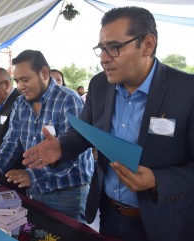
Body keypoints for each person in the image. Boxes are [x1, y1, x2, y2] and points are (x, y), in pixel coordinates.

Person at [22, 6, 194, 241]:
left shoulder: (186, 91)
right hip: (109, 214)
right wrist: (61, 146)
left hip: (165, 221)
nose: (104, 58)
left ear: (147, 44)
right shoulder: (100, 85)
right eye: (101, 49)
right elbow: (84, 133)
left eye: (114, 47)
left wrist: (156, 180)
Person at [0, 50, 94, 222]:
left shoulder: (68, 100)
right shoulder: (20, 103)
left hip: (67, 194)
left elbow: (75, 154)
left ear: (44, 73)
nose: (20, 86)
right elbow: (11, 142)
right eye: (17, 81)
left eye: (25, 79)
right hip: (35, 189)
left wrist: (32, 175)